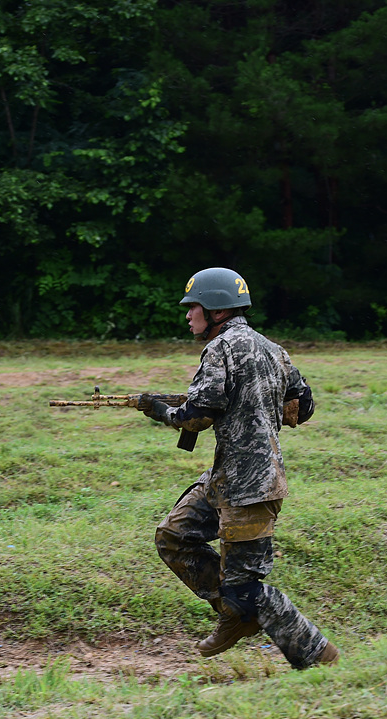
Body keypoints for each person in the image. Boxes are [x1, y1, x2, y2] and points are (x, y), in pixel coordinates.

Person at [140, 267, 339, 669]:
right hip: (224, 479)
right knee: (174, 536)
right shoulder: (273, 349)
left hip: (252, 489)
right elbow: (303, 406)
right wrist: (255, 401)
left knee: (246, 588)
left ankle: (316, 655)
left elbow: (197, 416)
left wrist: (161, 411)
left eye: (192, 306)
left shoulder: (220, 349)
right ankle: (234, 613)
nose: (187, 314)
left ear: (215, 309)